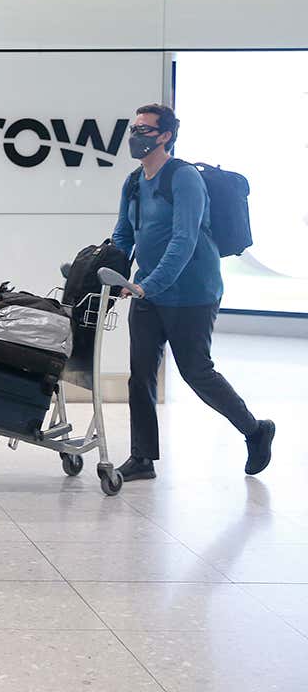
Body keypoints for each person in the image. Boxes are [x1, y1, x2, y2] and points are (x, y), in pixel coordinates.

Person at [111, 104, 274, 481]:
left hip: (192, 293)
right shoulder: (134, 181)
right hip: (147, 291)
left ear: (165, 135)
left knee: (196, 371)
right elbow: (123, 233)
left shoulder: (183, 178)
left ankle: (256, 430)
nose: (136, 135)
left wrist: (147, 284)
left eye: (145, 129)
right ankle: (142, 457)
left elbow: (184, 239)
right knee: (140, 375)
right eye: (134, 127)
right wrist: (113, 270)